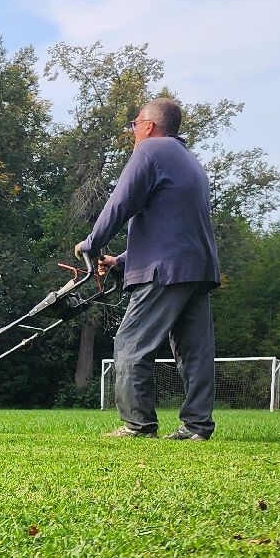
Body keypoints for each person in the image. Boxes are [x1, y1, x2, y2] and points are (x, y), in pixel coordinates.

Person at [78, 97, 221, 440]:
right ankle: (197, 426)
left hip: (165, 272)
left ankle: (138, 425)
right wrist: (120, 261)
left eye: (134, 124)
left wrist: (92, 244)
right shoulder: (190, 161)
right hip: (197, 269)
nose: (132, 132)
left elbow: (120, 203)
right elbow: (173, 228)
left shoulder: (149, 152)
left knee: (130, 344)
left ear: (149, 125)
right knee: (194, 351)